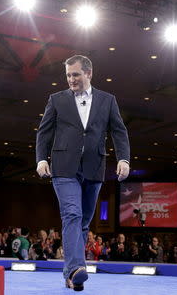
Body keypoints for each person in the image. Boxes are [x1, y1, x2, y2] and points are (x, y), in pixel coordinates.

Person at [36, 55, 130, 291]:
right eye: (68, 75)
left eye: (75, 74)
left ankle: (70, 275)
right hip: (63, 166)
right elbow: (44, 132)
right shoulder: (56, 100)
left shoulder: (108, 100)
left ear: (89, 73)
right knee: (72, 215)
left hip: (94, 167)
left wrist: (124, 159)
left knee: (84, 222)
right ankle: (78, 268)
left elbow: (119, 131)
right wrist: (40, 159)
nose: (71, 79)